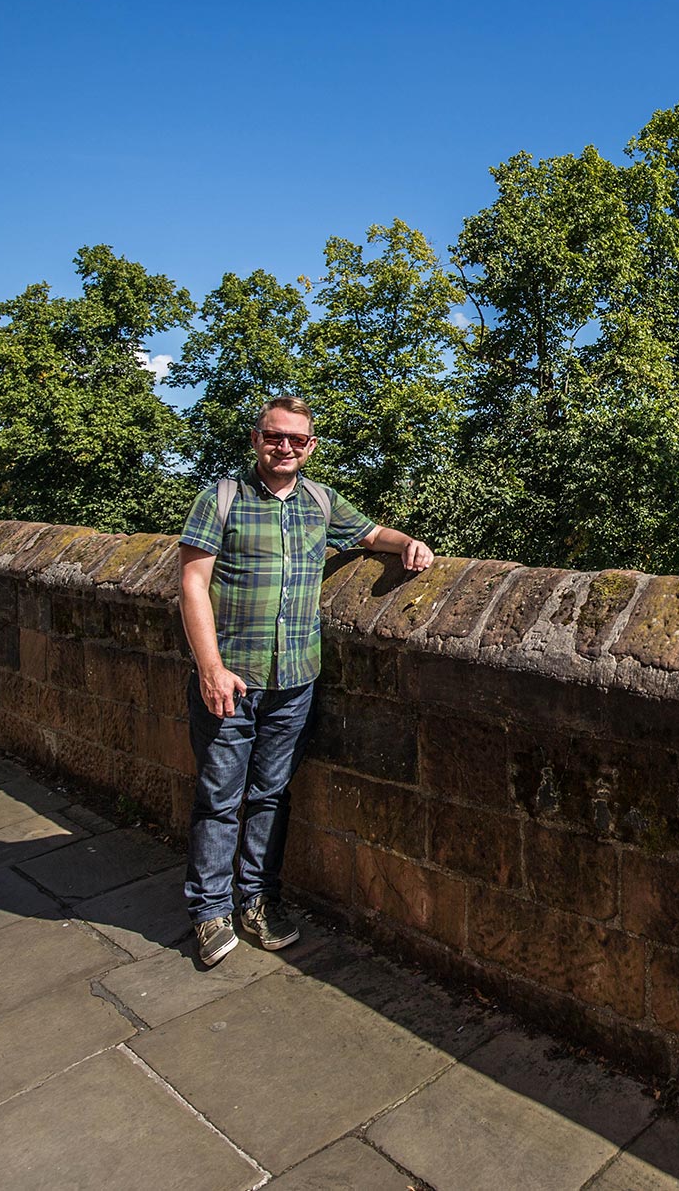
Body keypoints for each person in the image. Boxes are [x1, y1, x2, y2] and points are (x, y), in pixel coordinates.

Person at [176, 395, 431, 966]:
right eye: (274, 436)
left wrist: (407, 543)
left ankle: (257, 901)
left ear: (310, 446)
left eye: (296, 439)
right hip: (232, 678)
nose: (284, 446)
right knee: (220, 798)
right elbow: (192, 586)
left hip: (295, 679)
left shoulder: (320, 500)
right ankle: (210, 910)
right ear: (256, 439)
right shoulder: (221, 499)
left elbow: (369, 535)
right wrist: (210, 669)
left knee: (269, 795)